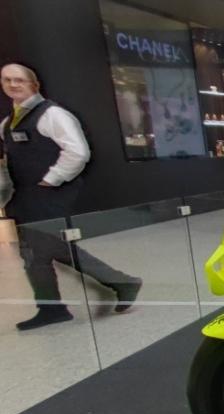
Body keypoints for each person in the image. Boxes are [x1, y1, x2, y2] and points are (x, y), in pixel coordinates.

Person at [1, 62, 141, 330]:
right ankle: (58, 305)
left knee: (41, 250)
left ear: (34, 84)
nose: (13, 84)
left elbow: (78, 152)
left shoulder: (53, 115)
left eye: (19, 79)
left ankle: (112, 286)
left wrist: (51, 179)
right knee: (39, 252)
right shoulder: (8, 123)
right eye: (7, 80)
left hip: (48, 195)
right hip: (25, 196)